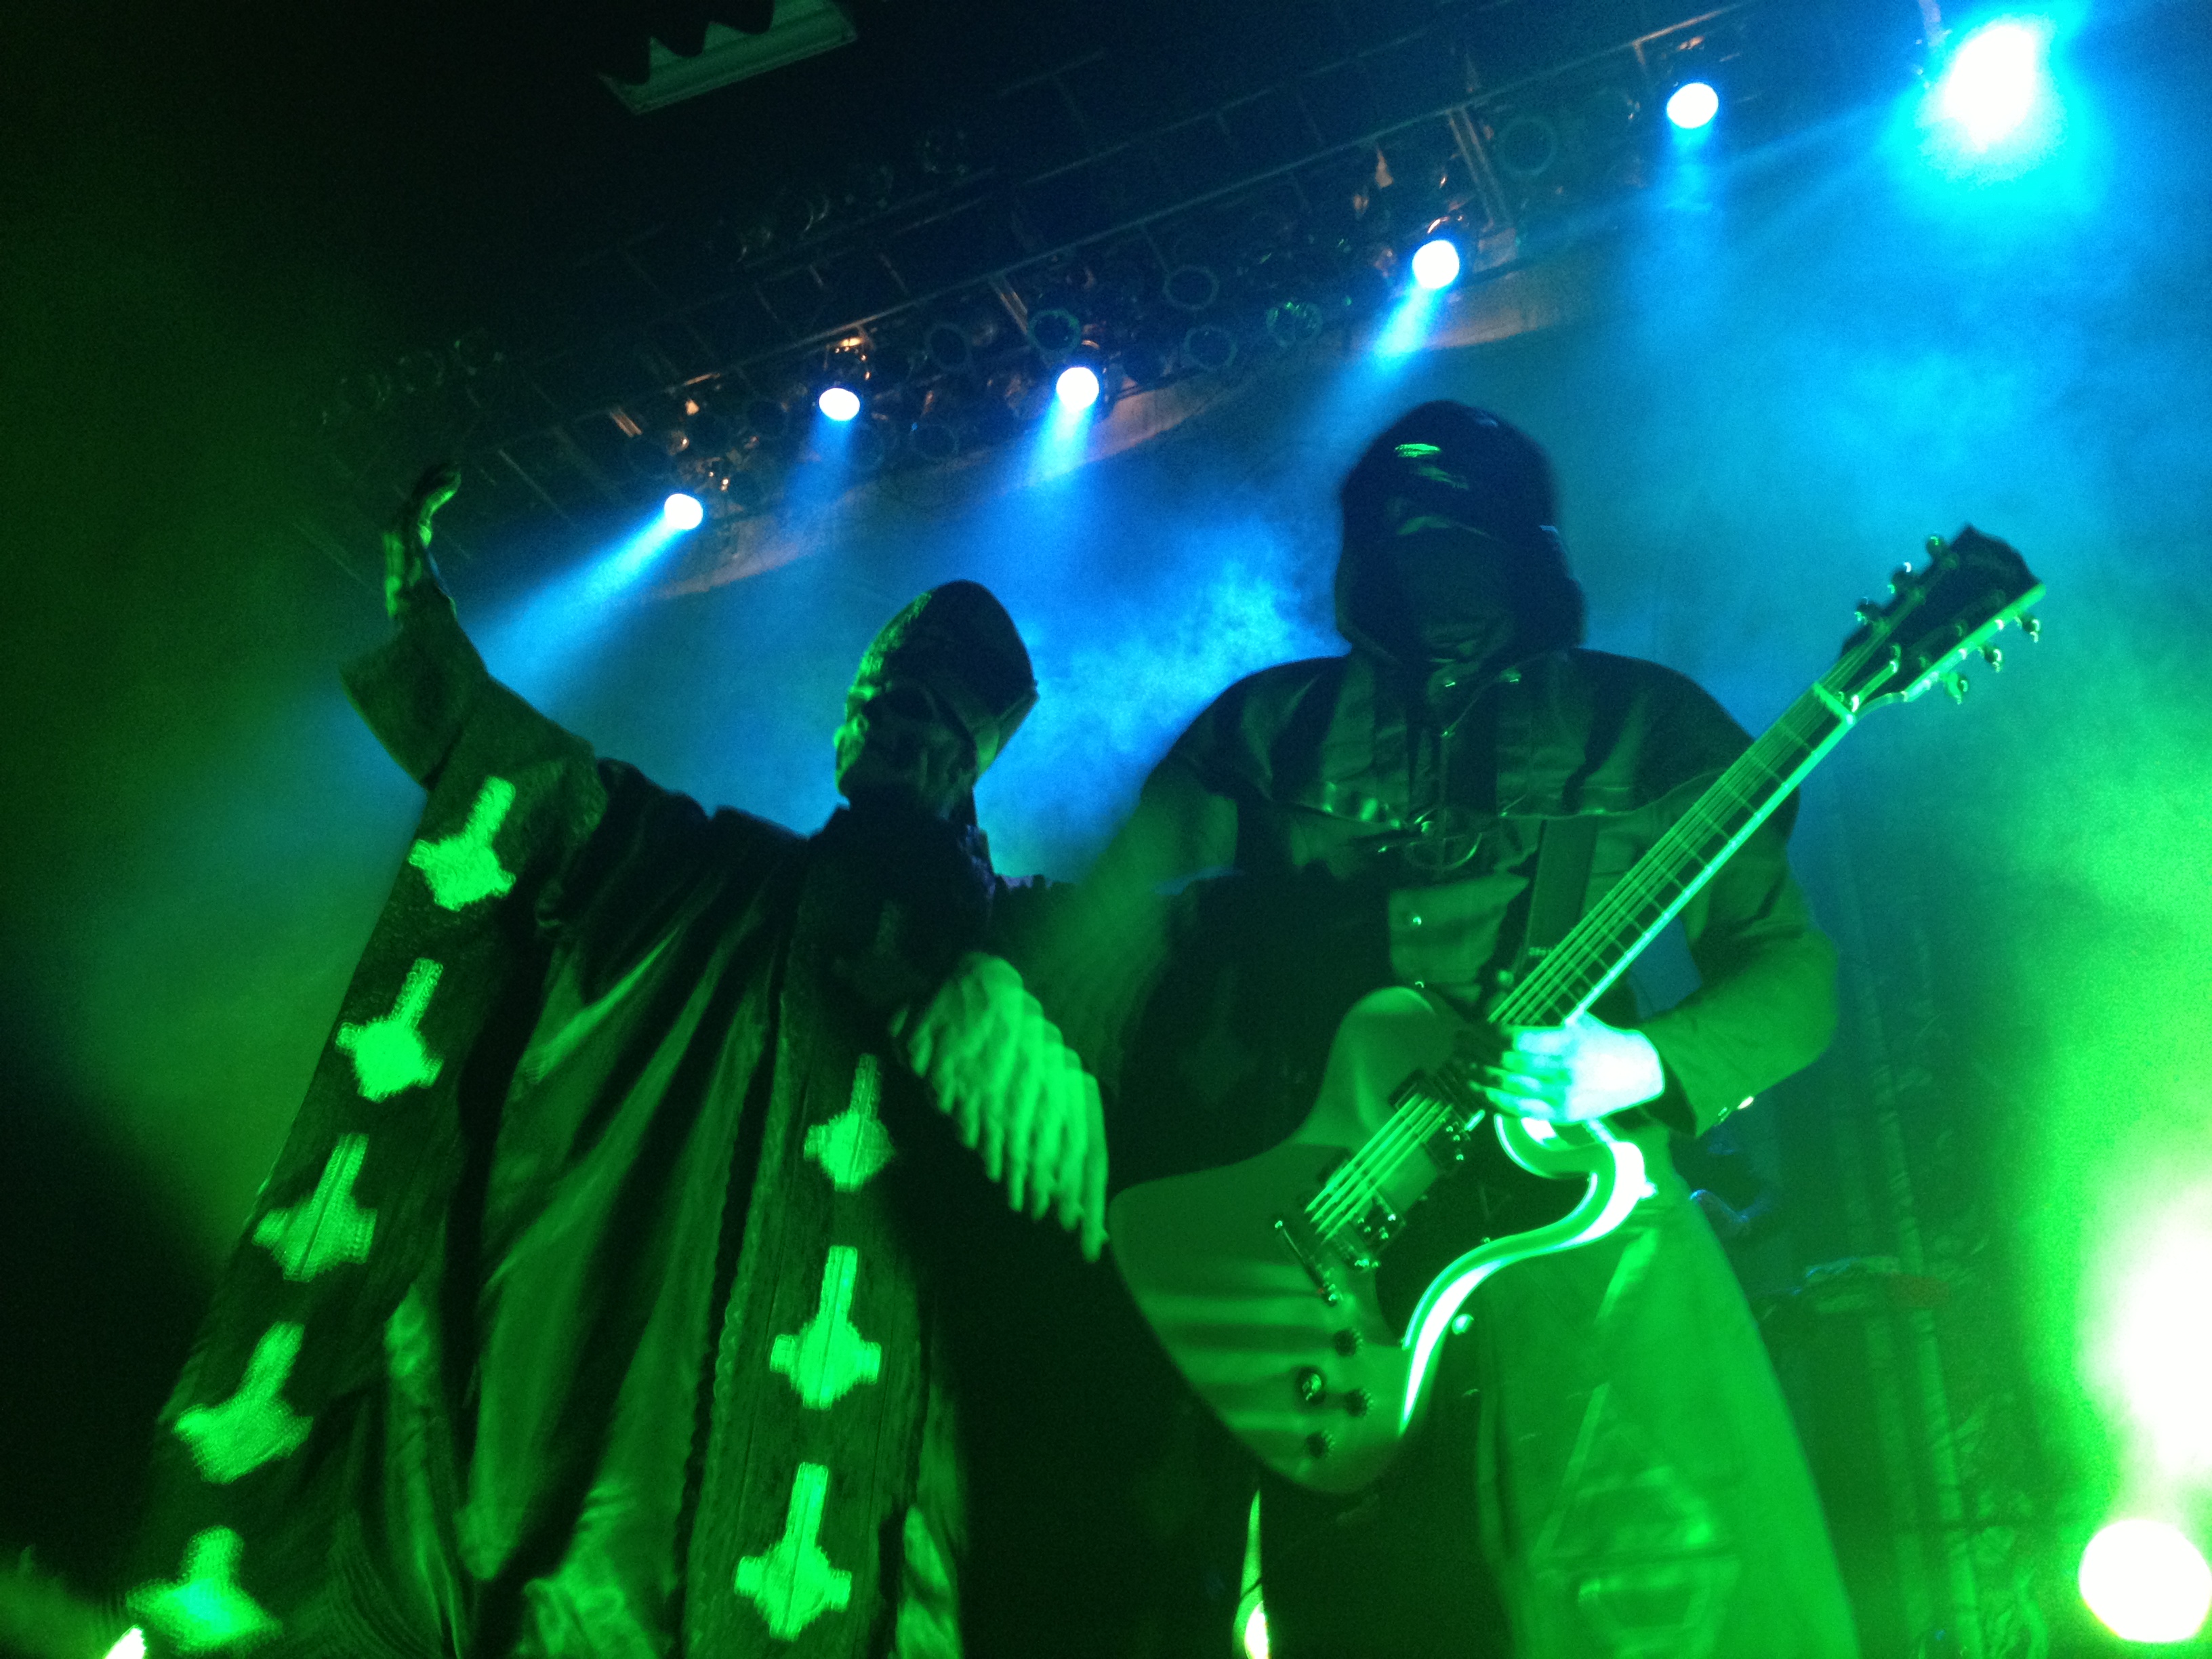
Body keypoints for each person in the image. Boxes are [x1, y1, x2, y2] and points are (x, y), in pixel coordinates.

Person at [129, 465, 1106, 1659]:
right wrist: (423, 625)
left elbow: (1194, 945)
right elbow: (546, 802)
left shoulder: (1030, 944)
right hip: (649, 1436)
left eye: (918, 719)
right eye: (870, 707)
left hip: (902, 1440)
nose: (883, 731)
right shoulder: (717, 879)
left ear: (970, 759)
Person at [1039, 403, 1860, 1658]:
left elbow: (1792, 976)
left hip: (1587, 1235)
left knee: (1659, 1596)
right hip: (1326, 1257)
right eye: (1404, 538)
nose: (1434, 568)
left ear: (1526, 551)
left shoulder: (1647, 724)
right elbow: (1100, 942)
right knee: (1358, 1608)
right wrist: (1021, 1011)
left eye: (1463, 537)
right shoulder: (1264, 731)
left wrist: (1637, 1062)